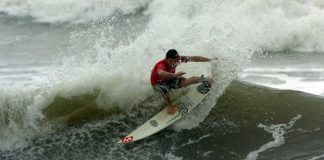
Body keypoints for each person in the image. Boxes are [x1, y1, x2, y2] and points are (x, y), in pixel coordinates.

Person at [150, 49, 215, 114]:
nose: (175, 63)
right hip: (158, 83)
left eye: (176, 61)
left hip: (170, 78)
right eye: (173, 61)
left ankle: (205, 80)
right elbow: (161, 73)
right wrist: (175, 75)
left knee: (185, 82)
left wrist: (209, 60)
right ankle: (170, 106)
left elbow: (194, 58)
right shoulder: (161, 65)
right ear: (168, 59)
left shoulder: (177, 59)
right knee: (163, 88)